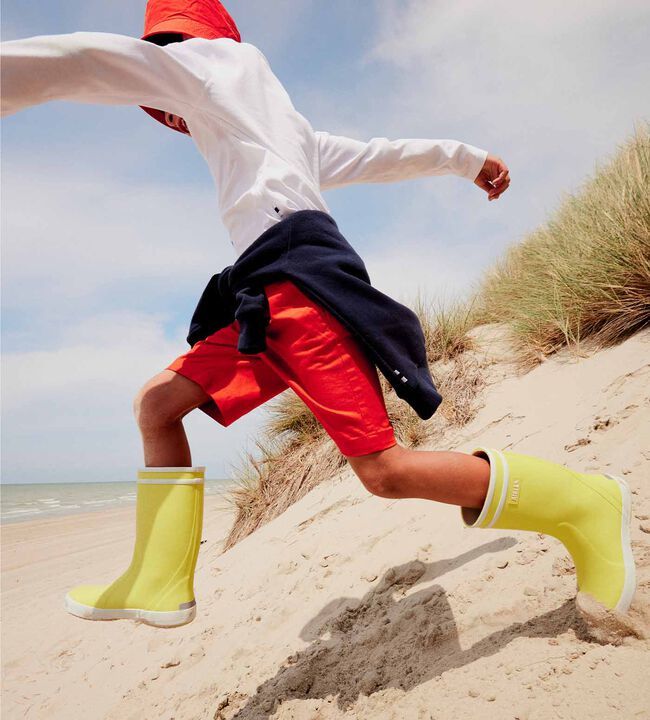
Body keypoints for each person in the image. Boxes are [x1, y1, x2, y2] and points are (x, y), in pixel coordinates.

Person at [0, 1, 635, 627]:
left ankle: (584, 504)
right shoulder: (279, 131)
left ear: (182, 43)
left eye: (157, 64)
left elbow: (84, 61)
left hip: (300, 288)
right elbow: (375, 156)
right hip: (263, 297)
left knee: (382, 472)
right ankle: (158, 579)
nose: (159, 100)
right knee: (157, 405)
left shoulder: (211, 64)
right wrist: (463, 158)